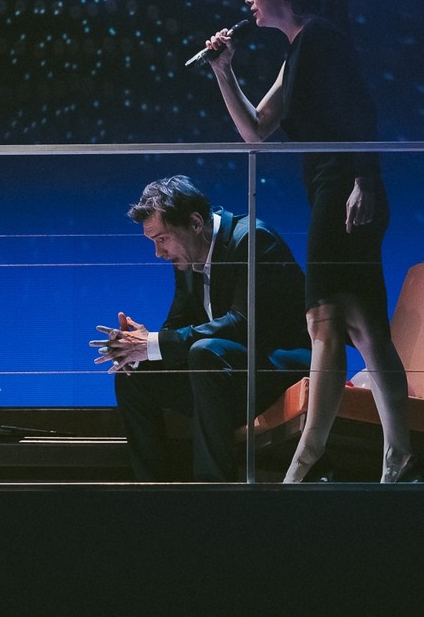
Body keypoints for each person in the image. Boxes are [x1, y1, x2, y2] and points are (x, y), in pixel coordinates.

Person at [198, 0, 419, 483]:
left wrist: (366, 180)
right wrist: (224, 71)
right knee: (360, 325)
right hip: (332, 190)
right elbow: (256, 130)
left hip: (345, 189)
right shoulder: (297, 52)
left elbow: (361, 109)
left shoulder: (321, 37)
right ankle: (397, 458)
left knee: (327, 321)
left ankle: (306, 461)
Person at [91, 176, 310, 481]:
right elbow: (178, 324)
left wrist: (154, 343)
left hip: (276, 369)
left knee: (204, 352)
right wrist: (138, 345)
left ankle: (211, 492)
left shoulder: (253, 240)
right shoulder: (187, 255)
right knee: (134, 375)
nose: (158, 252)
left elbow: (243, 323)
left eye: (162, 239)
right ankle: (151, 490)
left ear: (195, 222)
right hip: (222, 375)